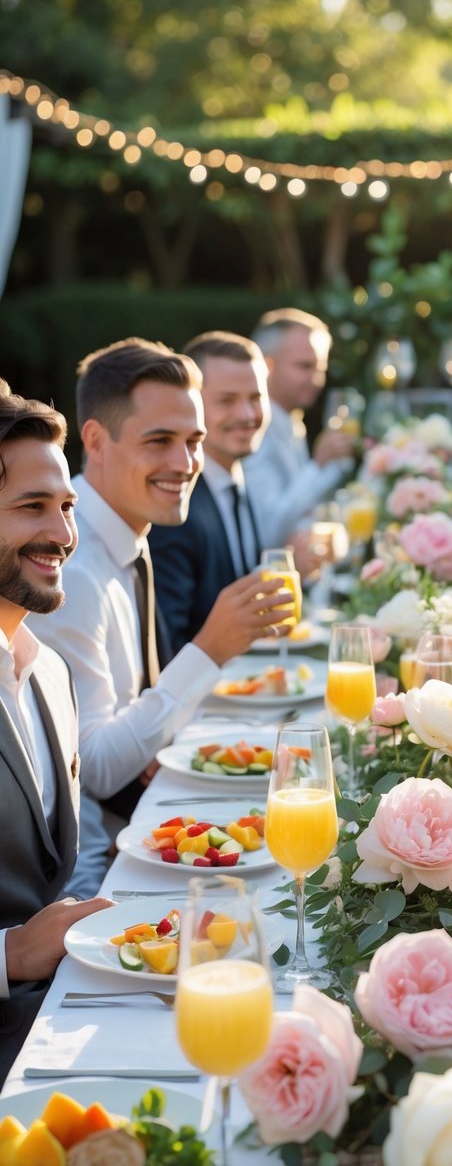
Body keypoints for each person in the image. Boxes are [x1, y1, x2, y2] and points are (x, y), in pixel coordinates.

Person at [32, 339, 292, 879]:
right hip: (97, 864)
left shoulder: (128, 528)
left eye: (194, 441)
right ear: (96, 441)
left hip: (142, 823)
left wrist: (153, 736)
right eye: (160, 441)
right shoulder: (72, 565)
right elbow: (100, 770)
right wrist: (210, 648)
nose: (186, 463)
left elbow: (119, 735)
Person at [0, 380, 110, 1081]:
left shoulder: (51, 673)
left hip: (65, 1026)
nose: (64, 535)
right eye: (32, 508)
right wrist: (9, 955)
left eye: (67, 506)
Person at [149, 330, 272, 654]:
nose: (247, 415)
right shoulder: (173, 505)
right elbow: (168, 646)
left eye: (256, 398)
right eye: (227, 401)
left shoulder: (239, 481)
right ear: (193, 405)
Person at [243, 308, 356, 545]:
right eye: (305, 366)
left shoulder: (291, 420)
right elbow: (268, 529)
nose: (316, 380)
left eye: (321, 368)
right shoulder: (251, 429)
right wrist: (318, 464)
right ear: (267, 366)